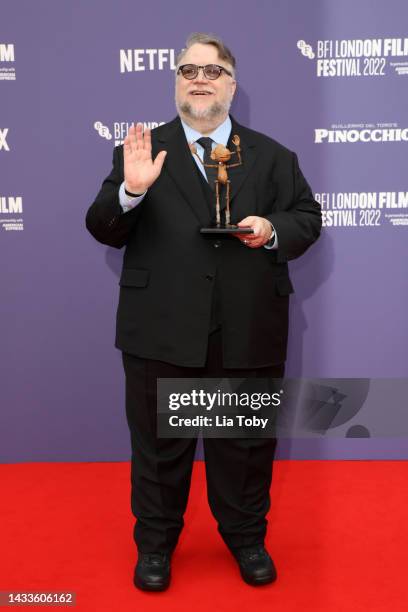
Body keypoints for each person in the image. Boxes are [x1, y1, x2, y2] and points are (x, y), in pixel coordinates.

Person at [86, 32, 321, 591]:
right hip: (161, 327)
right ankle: (157, 546)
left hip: (248, 326)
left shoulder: (274, 156)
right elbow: (102, 225)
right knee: (159, 446)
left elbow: (307, 219)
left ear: (231, 85)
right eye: (187, 70)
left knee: (243, 445)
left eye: (211, 71)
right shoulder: (142, 150)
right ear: (175, 83)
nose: (198, 78)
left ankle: (245, 537)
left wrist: (271, 230)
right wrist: (132, 193)